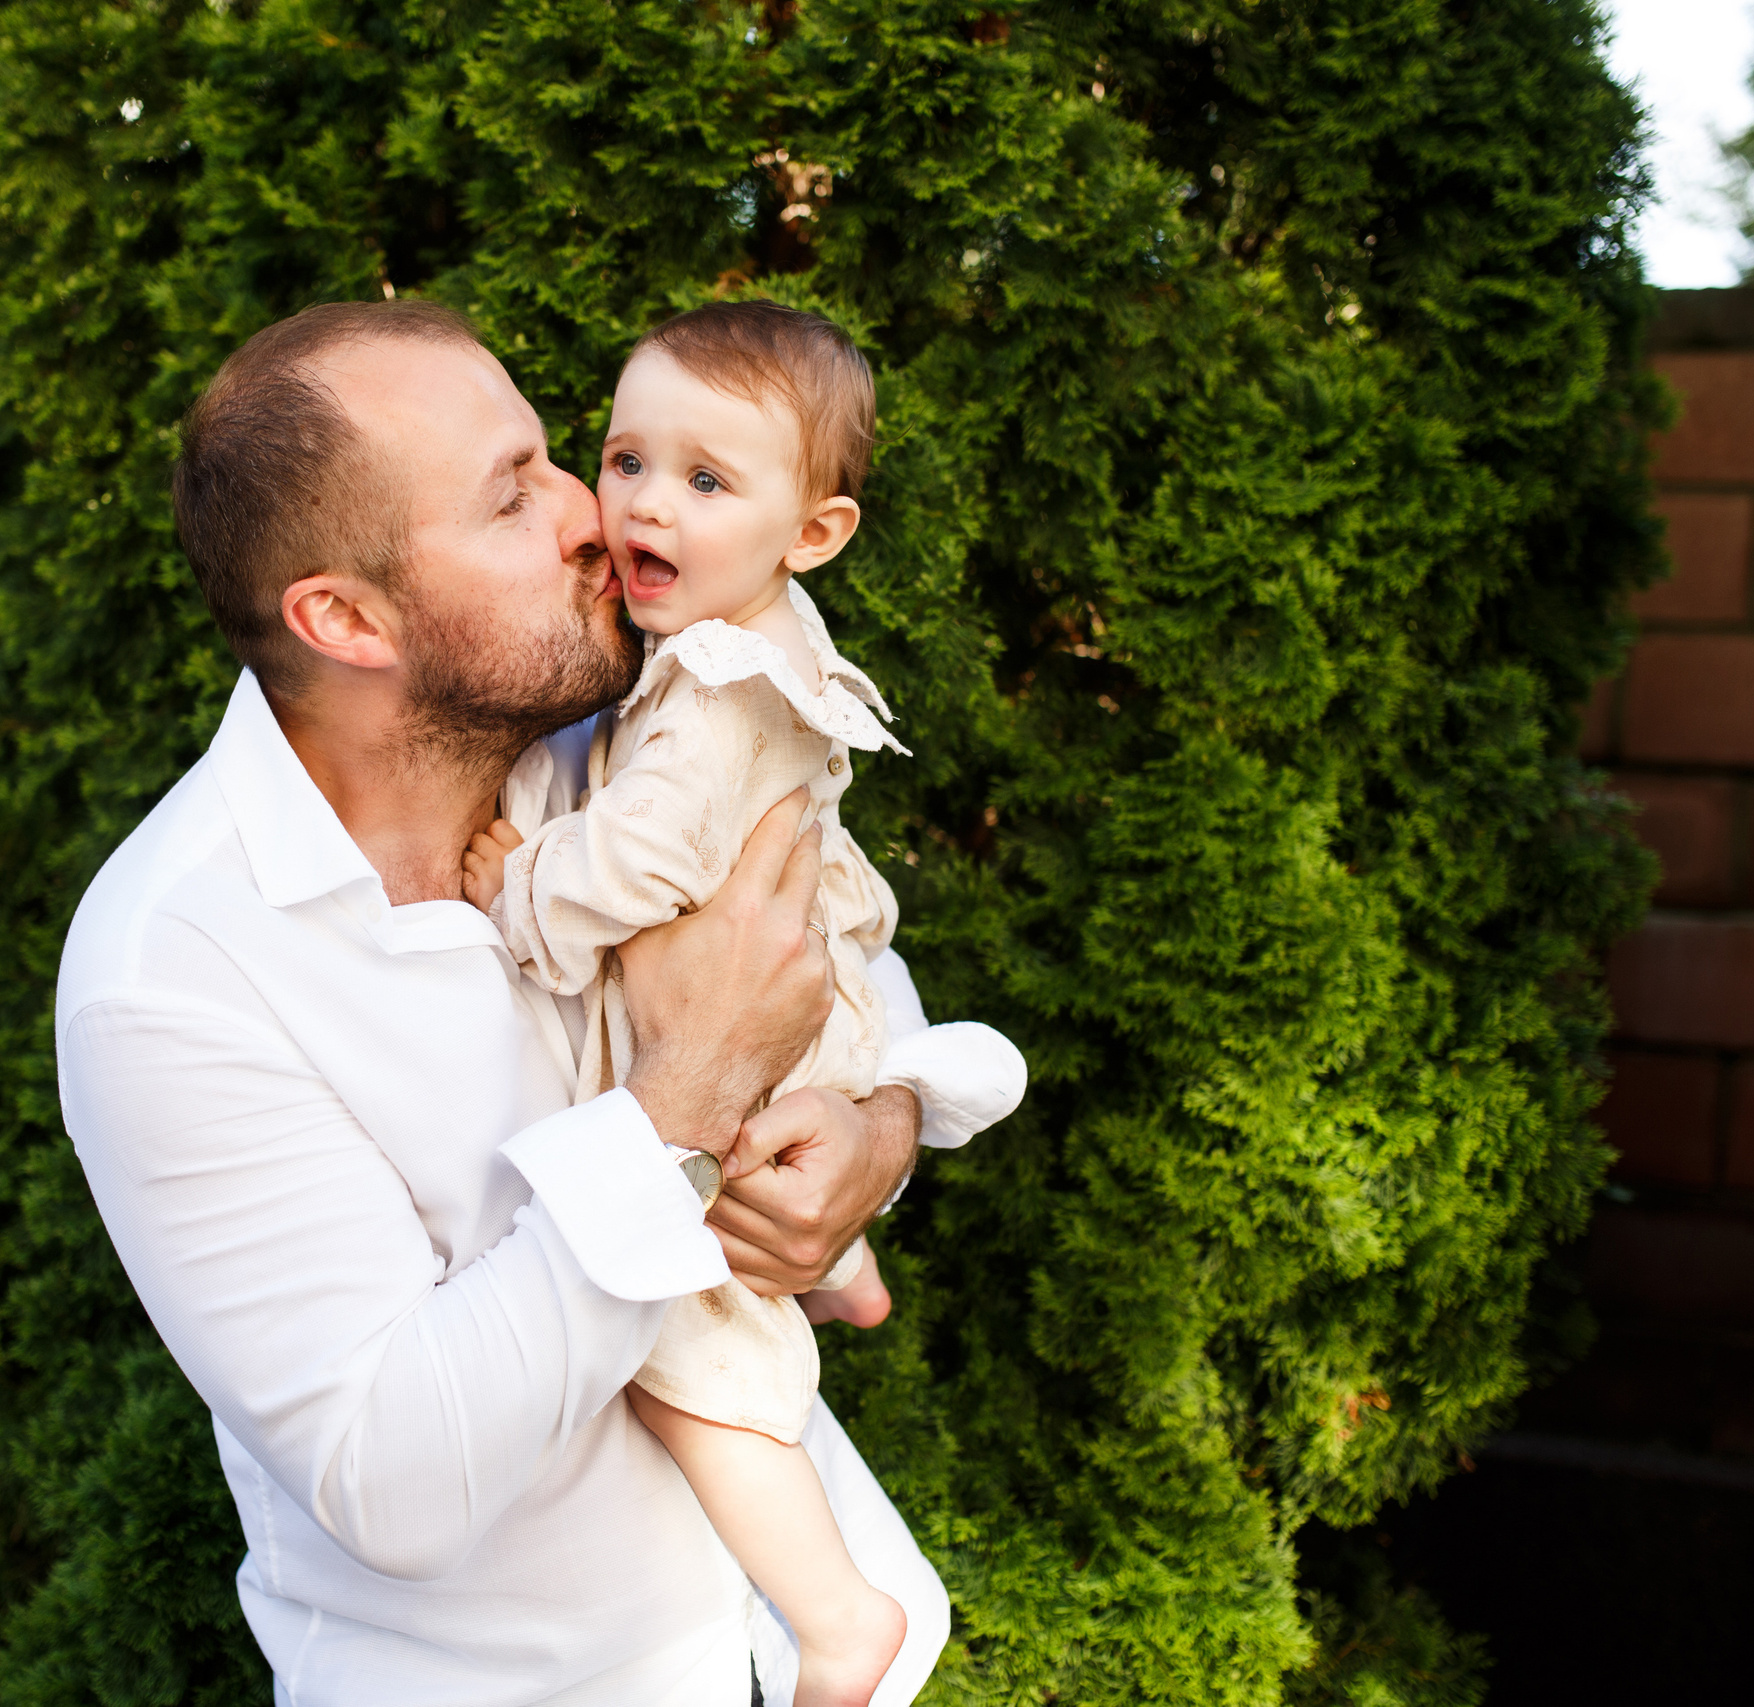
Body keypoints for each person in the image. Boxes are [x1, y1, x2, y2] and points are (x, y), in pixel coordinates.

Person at [55, 298, 1026, 1707]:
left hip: (773, 1647)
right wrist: (678, 1104)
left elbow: (829, 957)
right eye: (514, 495)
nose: (592, 511)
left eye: (553, 455)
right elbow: (393, 1477)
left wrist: (874, 1136)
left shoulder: (608, 738)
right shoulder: (177, 973)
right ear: (343, 618)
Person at [459, 302, 1020, 1707]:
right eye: (628, 458)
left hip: (758, 1058)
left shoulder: (709, 685)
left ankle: (838, 1621)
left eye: (707, 482)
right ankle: (840, 1269)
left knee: (675, 1345)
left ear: (813, 532)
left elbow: (644, 859)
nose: (646, 503)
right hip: (796, 1021)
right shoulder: (753, 631)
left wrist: (519, 887)